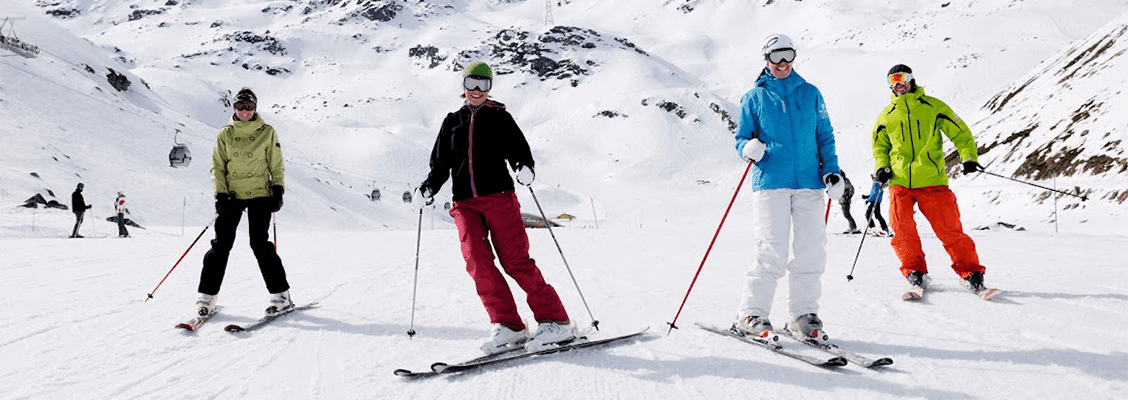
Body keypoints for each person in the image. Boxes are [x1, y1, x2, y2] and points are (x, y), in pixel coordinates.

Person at [417, 61, 576, 354]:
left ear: (490, 87)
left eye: (484, 85)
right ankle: (508, 324)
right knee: (477, 262)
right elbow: (440, 164)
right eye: (472, 84)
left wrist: (523, 166)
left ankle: (556, 321)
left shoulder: (500, 117)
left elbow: (518, 149)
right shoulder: (452, 121)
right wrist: (429, 186)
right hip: (464, 203)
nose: (477, 90)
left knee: (515, 261)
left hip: (499, 198)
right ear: (463, 85)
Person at [731, 34, 843, 341]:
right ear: (766, 59)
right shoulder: (754, 97)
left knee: (811, 250)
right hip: (771, 182)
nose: (782, 63)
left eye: (788, 55)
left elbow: (824, 136)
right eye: (776, 57)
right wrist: (747, 148)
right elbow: (741, 138)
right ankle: (752, 313)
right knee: (772, 250)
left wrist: (832, 172)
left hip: (809, 183)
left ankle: (802, 315)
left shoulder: (811, 93)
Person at [871, 64, 989, 293]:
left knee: (949, 229)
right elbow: (879, 147)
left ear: (911, 79)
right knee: (902, 230)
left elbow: (961, 133)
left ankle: (971, 272)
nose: (898, 84)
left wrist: (968, 158)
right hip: (900, 181)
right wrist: (882, 167)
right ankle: (914, 270)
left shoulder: (933, 107)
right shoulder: (886, 116)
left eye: (902, 78)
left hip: (932, 180)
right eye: (893, 81)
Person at [194, 87, 292, 319]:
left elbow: (276, 164)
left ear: (255, 108)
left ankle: (281, 295)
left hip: (260, 193)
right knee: (220, 245)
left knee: (259, 244)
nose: (245, 111)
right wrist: (220, 194)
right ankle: (207, 297)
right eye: (240, 106)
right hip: (233, 195)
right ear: (234, 108)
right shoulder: (225, 134)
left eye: (249, 107)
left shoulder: (267, 132)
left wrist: (278, 190)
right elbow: (217, 167)